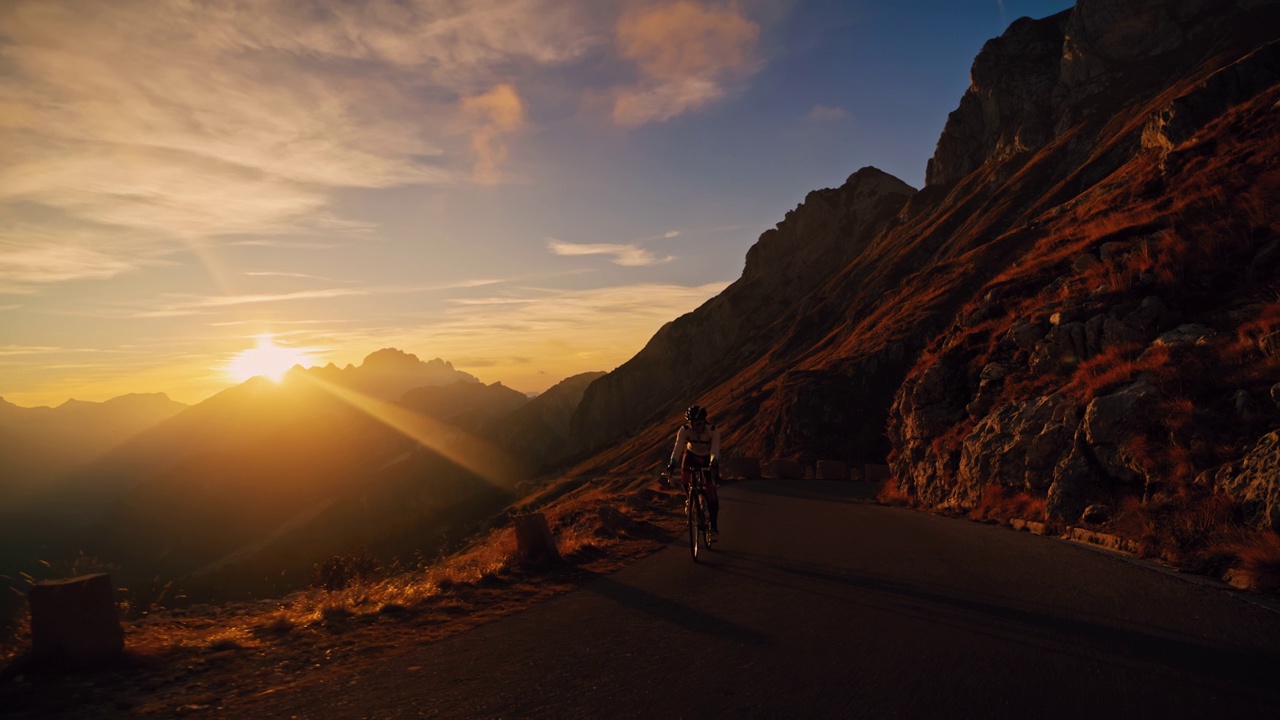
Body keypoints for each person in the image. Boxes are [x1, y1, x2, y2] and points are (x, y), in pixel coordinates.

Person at [668, 404, 721, 537]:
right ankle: (690, 499)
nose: (695, 427)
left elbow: (715, 449)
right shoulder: (684, 430)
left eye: (698, 424)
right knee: (685, 478)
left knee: (710, 490)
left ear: (704, 422)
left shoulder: (712, 430)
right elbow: (678, 447)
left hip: (707, 456)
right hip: (691, 454)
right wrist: (672, 463)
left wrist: (713, 463)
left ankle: (713, 527)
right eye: (692, 424)